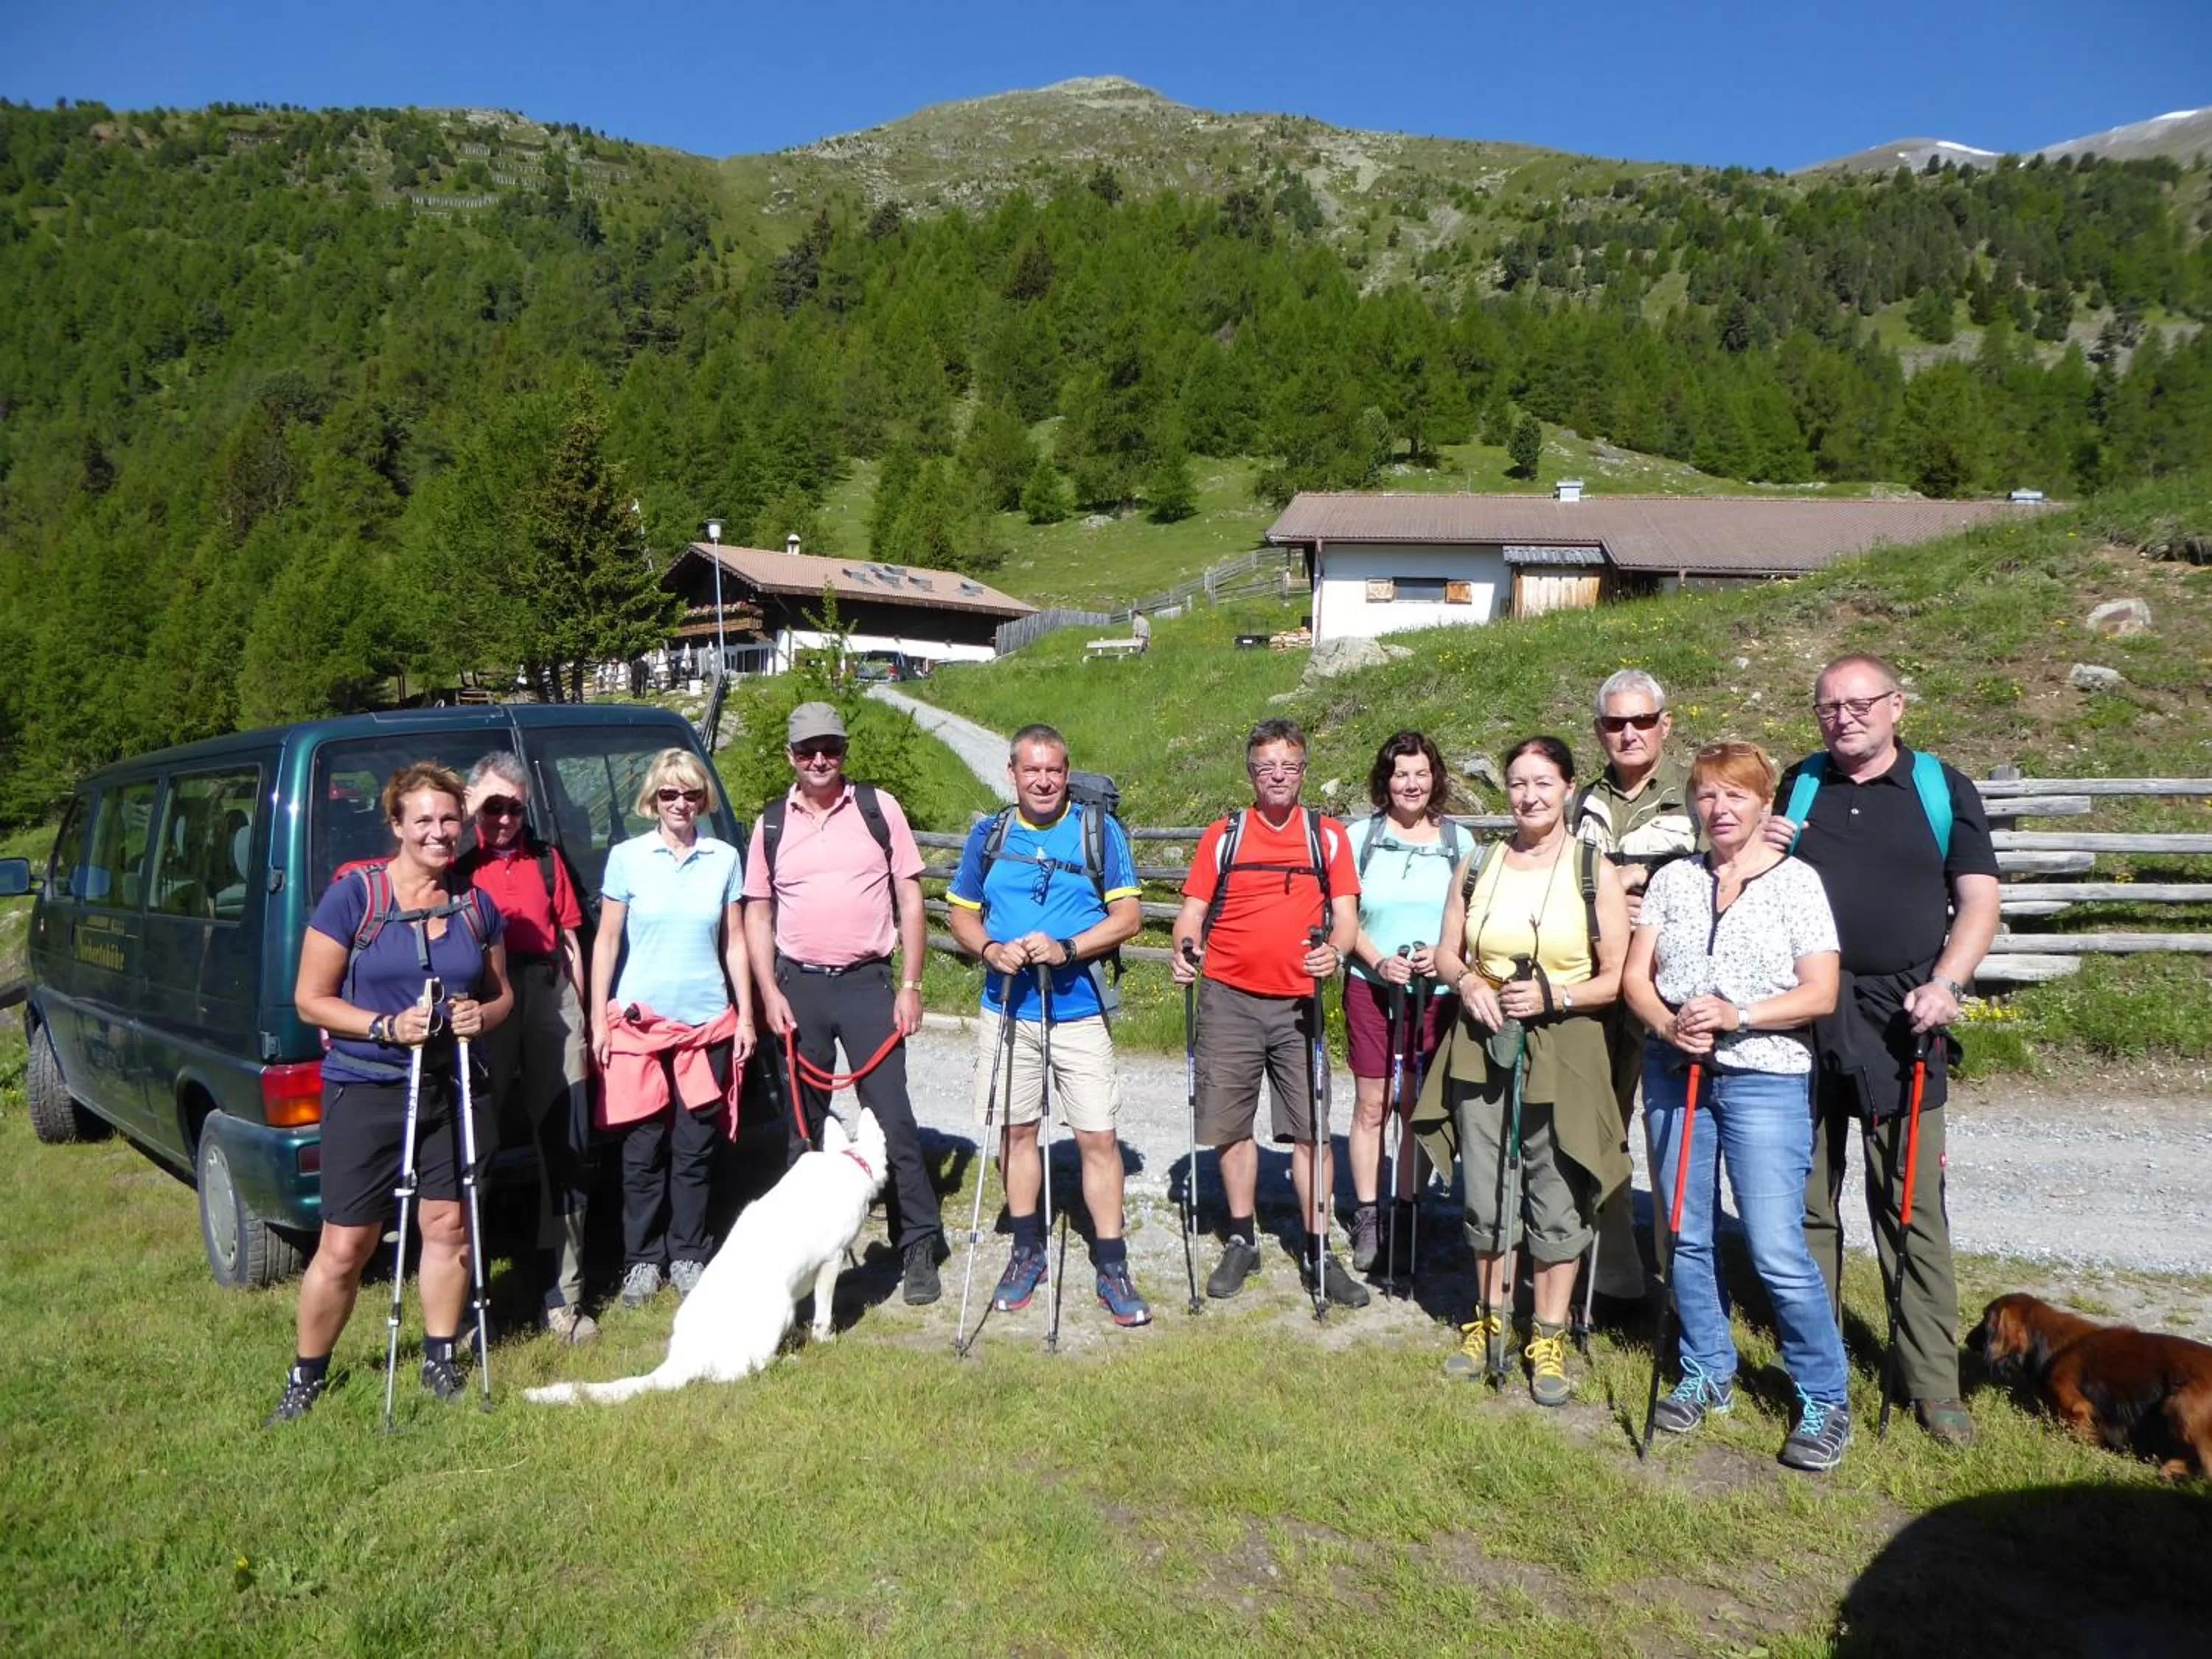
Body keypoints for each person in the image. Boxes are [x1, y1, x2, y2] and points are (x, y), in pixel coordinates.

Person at [1764, 653, 2000, 1447]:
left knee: (1910, 1208)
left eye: (1861, 703)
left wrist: (1948, 984)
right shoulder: (1799, 783)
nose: (1845, 717)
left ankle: (1932, 1383)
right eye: (1829, 706)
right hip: (1806, 1016)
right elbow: (1755, 887)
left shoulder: (1940, 787)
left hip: (1904, 1018)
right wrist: (1764, 850)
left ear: (1897, 705)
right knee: (1805, 1202)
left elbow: (1978, 898)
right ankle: (1816, 1367)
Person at [1624, 742, 1851, 1471]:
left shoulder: (1798, 883)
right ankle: (1707, 1371)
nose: (1719, 810)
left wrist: (1738, 1015)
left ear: (1763, 805)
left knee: (1776, 1246)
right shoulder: (1673, 881)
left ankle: (1823, 1396)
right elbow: (1638, 976)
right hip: (1674, 1072)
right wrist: (1669, 1025)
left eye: (1736, 796)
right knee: (1683, 1235)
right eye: (1707, 795)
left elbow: (1820, 992)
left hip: (1765, 1077)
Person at [268, 763, 512, 1425]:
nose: (439, 832)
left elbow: (500, 995)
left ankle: (438, 1357)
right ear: (398, 826)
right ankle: (307, 1374)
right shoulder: (356, 898)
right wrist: (382, 1026)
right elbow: (310, 1000)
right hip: (370, 1086)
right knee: (348, 1242)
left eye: (449, 819)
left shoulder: (474, 903)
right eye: (424, 820)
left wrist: (479, 1018)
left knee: (449, 1226)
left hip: (453, 1085)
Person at [1423, 737, 1630, 1406]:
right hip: (1484, 1043)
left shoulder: (1595, 869)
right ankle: (1487, 1321)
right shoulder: (1478, 865)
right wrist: (1467, 985)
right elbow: (1446, 953)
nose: (1529, 796)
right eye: (1517, 783)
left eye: (1543, 782)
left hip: (1566, 1045)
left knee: (1557, 1187)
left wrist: (1553, 996)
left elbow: (1618, 979)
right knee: (1485, 1187)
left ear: (1569, 788)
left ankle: (1548, 1333)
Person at [745, 702, 946, 1304]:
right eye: (807, 751)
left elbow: (910, 899)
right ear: (791, 756)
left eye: (828, 748)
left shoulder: (877, 810)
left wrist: (910, 985)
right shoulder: (772, 823)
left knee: (891, 1119)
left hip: (867, 984)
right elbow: (758, 910)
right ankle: (799, 1250)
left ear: (843, 750)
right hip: (799, 986)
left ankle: (919, 1246)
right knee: (803, 1127)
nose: (819, 760)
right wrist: (769, 992)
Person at [947, 725, 1149, 1325]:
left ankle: (1111, 1263)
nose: (1043, 780)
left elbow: (1129, 917)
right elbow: (961, 915)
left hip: (1078, 1009)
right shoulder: (990, 835)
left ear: (1067, 774)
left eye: (1054, 770)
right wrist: (989, 950)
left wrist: (1068, 947)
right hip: (1007, 1004)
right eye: (1031, 770)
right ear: (1012, 773)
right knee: (1016, 1131)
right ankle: (1027, 1250)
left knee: (1097, 1137)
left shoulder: (1098, 831)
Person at [1171, 718, 1367, 1309]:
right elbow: (1191, 912)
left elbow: (1348, 918)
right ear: (1251, 774)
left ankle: (1318, 1248)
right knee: (1230, 1126)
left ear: (1304, 772)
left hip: (1298, 1003)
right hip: (1228, 996)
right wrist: (1186, 949)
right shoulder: (1224, 835)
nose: (1277, 776)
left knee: (1310, 1130)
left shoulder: (1326, 836)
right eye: (1266, 767)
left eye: (1289, 766)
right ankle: (1242, 1237)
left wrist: (1336, 951)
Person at [588, 748, 755, 1312]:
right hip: (639, 1030)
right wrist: (598, 1018)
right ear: (653, 800)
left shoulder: (724, 858)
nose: (680, 804)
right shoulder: (628, 858)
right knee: (641, 1153)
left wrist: (747, 1015)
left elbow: (734, 941)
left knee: (695, 1148)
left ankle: (687, 1253)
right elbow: (607, 940)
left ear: (702, 799)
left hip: (705, 1027)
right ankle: (641, 1261)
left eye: (690, 794)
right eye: (669, 795)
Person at [1573, 669, 1700, 1315]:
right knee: (1603, 1132)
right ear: (1600, 730)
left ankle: (1686, 1292)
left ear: (1664, 725)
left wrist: (1636, 881)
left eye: (1641, 721)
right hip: (1599, 990)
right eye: (1615, 723)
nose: (1628, 733)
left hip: (1672, 990)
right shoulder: (1580, 802)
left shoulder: (1700, 795)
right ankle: (1616, 1280)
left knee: (1677, 1139)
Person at [458, 751, 596, 1344]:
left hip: (547, 993)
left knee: (567, 1142)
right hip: (484, 1000)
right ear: (471, 808)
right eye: (493, 806)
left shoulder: (547, 862)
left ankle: (562, 1295)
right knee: (470, 1152)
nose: (506, 818)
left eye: (515, 807)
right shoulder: (456, 867)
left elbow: (570, 939)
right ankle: (461, 1306)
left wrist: (588, 1017)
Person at [1343, 731, 1461, 1278]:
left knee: (1416, 1105)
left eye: (1420, 773)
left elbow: (1466, 923)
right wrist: (1376, 959)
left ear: (1434, 778)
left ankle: (1410, 1210)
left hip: (1434, 993)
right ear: (1384, 781)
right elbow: (1343, 918)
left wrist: (1441, 956)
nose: (1411, 784)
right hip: (1372, 986)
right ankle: (1369, 1213)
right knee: (1373, 1105)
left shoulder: (1460, 845)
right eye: (1400, 775)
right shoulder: (1359, 838)